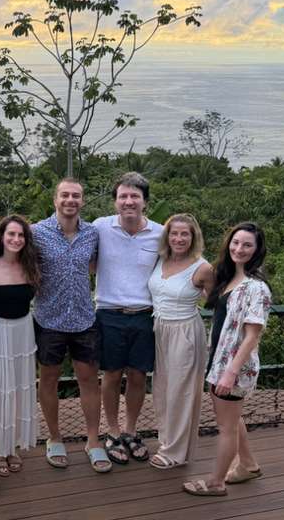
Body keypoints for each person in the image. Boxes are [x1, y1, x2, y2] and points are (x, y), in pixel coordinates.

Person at [183, 222, 272, 497]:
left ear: (257, 250)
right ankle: (248, 464)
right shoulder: (230, 279)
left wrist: (230, 373)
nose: (239, 249)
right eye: (236, 243)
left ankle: (216, 483)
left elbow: (252, 336)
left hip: (234, 367)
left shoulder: (256, 288)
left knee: (226, 427)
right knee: (233, 420)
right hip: (219, 362)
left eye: (247, 245)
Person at [30, 178, 110, 473]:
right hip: (48, 319)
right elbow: (11, 251)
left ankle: (93, 440)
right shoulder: (36, 232)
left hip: (83, 319)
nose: (70, 200)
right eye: (65, 195)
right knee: (48, 380)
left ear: (82, 201)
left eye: (76, 196)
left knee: (89, 380)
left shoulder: (92, 234)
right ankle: (54, 437)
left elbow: (95, 265)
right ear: (55, 199)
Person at [93, 171, 163, 465]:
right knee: (110, 375)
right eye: (123, 196)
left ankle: (131, 431)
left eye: (135, 196)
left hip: (145, 315)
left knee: (137, 376)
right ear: (115, 202)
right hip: (108, 313)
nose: (129, 201)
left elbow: (186, 256)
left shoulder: (160, 233)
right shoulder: (100, 227)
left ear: (145, 202)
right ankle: (111, 433)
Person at [147, 214, 214, 470]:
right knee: (162, 390)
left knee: (182, 393)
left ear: (193, 237)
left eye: (184, 234)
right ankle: (167, 441)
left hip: (185, 331)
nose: (178, 239)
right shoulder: (160, 260)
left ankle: (175, 452)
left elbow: (216, 300)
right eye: (174, 233)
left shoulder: (202, 268)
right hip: (159, 330)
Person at [0, 215, 41, 477]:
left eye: (20, 235)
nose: (16, 239)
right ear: (1, 236)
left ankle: (12, 445)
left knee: (18, 389)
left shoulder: (31, 266)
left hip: (23, 331)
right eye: (11, 234)